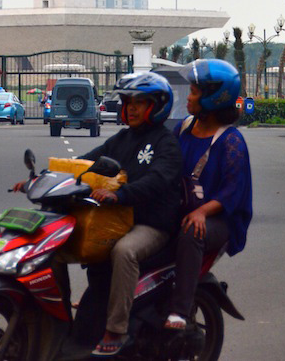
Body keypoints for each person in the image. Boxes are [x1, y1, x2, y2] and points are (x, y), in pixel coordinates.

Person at [77, 71, 181, 357]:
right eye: (128, 102)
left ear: (156, 106)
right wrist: (45, 178)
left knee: (124, 251)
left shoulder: (166, 143)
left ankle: (116, 329)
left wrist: (120, 194)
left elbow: (158, 179)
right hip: (120, 219)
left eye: (140, 102)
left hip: (152, 224)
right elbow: (86, 162)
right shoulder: (121, 139)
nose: (131, 108)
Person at [164, 59, 252, 332]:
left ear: (214, 98)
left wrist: (202, 211)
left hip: (219, 218)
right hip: (184, 207)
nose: (188, 97)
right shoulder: (183, 128)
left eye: (194, 92)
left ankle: (179, 310)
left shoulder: (231, 141)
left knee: (192, 231)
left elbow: (233, 192)